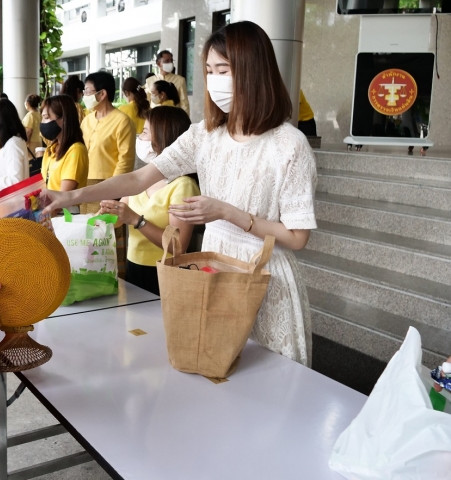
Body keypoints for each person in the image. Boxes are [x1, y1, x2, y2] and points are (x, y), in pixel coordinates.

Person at [46, 21, 317, 366]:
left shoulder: (288, 145)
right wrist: (69, 197)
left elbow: (296, 238)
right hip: (212, 268)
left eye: (224, 69)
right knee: (213, 372)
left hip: (264, 276)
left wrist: (226, 212)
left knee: (268, 381)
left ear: (253, 71)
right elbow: (138, 179)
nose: (214, 79)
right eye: (208, 70)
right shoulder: (205, 134)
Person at [98, 106, 199, 295]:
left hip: (164, 271)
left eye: (144, 132)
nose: (140, 138)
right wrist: (104, 215)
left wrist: (137, 220)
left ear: (162, 136)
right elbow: (121, 216)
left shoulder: (183, 185)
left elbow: (178, 246)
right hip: (133, 267)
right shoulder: (141, 179)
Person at [79, 71, 136, 214]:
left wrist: (114, 191)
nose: (84, 95)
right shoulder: (87, 120)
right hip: (84, 183)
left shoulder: (122, 121)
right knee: (84, 230)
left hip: (106, 184)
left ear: (102, 94)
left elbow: (125, 160)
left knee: (104, 231)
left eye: (87, 91)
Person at [40, 95, 88, 192]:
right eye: (42, 118)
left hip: (64, 207)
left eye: (46, 117)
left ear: (64, 119)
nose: (42, 123)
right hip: (50, 206)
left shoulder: (76, 151)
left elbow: (63, 196)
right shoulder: (50, 150)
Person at [145, 50, 190, 114]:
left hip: (173, 117)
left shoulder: (180, 80)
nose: (170, 63)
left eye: (171, 61)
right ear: (158, 63)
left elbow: (184, 104)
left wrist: (185, 121)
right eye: (167, 61)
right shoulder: (150, 81)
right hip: (155, 118)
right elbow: (146, 103)